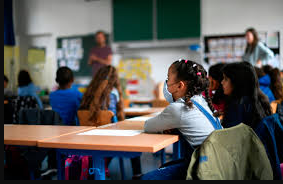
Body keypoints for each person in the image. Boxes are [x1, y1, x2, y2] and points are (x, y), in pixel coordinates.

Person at [141, 59, 222, 180]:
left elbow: (148, 126)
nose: (166, 82)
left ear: (180, 85)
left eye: (168, 78)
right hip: (219, 164)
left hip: (204, 169)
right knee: (166, 166)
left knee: (146, 178)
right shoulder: (202, 101)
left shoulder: (178, 108)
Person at [79, 65, 125, 177]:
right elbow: (113, 117)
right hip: (109, 136)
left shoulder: (89, 91)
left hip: (88, 134)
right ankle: (136, 174)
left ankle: (98, 164)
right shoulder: (113, 92)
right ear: (115, 79)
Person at [221, 62, 272, 129]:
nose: (222, 82)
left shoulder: (239, 105)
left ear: (237, 82)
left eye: (226, 79)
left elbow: (230, 134)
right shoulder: (259, 100)